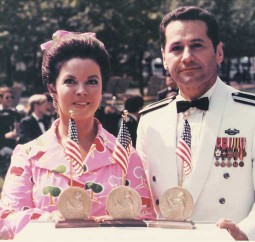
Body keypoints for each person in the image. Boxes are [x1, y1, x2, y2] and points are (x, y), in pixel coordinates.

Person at [136, 6, 255, 240]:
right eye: (176, 48)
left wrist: (246, 233)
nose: (187, 57)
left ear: (219, 52)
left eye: (197, 45)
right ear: (164, 57)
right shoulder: (150, 120)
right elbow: (142, 196)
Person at [0, 30, 155, 239]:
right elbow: (7, 220)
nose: (82, 90)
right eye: (70, 81)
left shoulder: (126, 155)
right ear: (52, 88)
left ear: (102, 88)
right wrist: (53, 221)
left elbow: (147, 221)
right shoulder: (28, 156)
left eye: (92, 81)